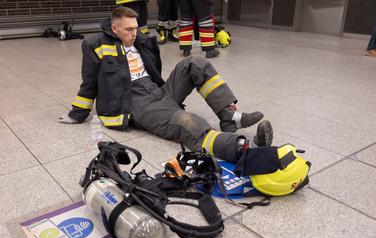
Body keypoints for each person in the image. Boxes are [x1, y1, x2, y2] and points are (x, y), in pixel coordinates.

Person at [58, 7, 273, 163]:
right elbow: (89, 83)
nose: (135, 33)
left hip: (154, 89)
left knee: (195, 63)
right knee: (185, 120)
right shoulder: (95, 45)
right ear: (114, 28)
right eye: (129, 29)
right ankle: (243, 148)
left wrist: (144, 44)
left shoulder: (138, 39)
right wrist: (77, 113)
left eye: (136, 28)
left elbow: (153, 68)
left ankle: (229, 116)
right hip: (132, 100)